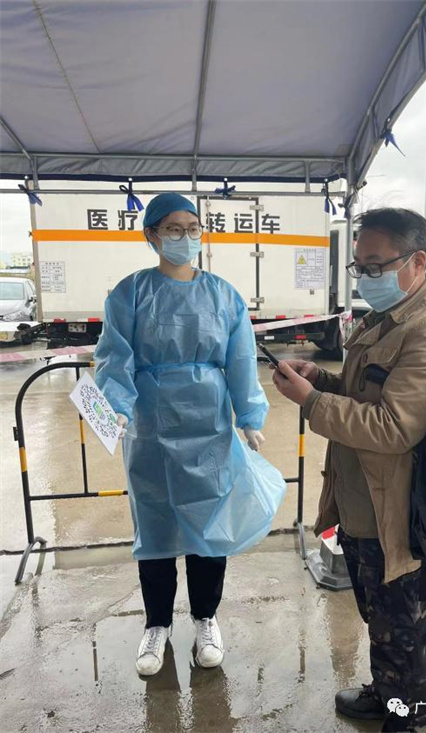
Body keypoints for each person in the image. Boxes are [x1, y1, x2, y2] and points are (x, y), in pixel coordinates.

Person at [272, 208, 426, 733]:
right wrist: (320, 380)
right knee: (381, 622)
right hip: (363, 505)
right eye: (359, 267)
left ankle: (408, 721)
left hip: (400, 518)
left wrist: (312, 402)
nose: (366, 277)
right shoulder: (384, 318)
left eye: (375, 265)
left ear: (417, 261)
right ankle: (386, 693)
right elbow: (364, 393)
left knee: (404, 635)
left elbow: (395, 427)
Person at [94, 193, 279, 677]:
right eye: (174, 229)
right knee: (154, 526)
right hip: (149, 424)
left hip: (208, 423)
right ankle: (156, 624)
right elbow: (114, 357)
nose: (185, 237)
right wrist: (115, 410)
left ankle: (205, 619)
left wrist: (249, 415)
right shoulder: (130, 293)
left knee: (208, 524)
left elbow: (241, 358)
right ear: (152, 235)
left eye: (193, 228)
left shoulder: (223, 294)